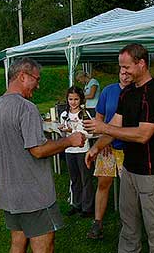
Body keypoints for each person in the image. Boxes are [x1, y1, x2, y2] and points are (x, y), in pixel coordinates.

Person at [0, 57, 86, 253]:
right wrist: (70, 140)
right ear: (23, 76)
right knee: (44, 245)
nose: (38, 86)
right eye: (36, 79)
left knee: (17, 243)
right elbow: (38, 150)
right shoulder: (27, 108)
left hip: (9, 193)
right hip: (33, 195)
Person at [84, 43, 154, 252]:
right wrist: (96, 147)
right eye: (120, 67)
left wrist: (103, 127)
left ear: (141, 64)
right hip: (129, 168)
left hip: (150, 172)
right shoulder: (128, 92)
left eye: (126, 67)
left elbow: (142, 135)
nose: (122, 72)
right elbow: (115, 125)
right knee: (128, 223)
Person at [86, 71, 132, 240]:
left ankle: (128, 224)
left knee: (129, 189)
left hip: (128, 148)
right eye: (121, 72)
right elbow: (99, 120)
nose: (125, 76)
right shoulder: (108, 91)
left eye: (128, 73)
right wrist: (102, 142)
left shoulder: (138, 92)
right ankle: (98, 223)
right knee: (103, 184)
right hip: (107, 147)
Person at [59, 86, 95, 217]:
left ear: (81, 100)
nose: (73, 102)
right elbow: (63, 133)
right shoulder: (64, 114)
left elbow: (91, 132)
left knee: (86, 178)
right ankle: (76, 204)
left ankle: (88, 207)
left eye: (76, 99)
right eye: (70, 99)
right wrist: (63, 130)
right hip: (69, 151)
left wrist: (74, 132)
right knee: (74, 179)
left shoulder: (85, 114)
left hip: (83, 150)